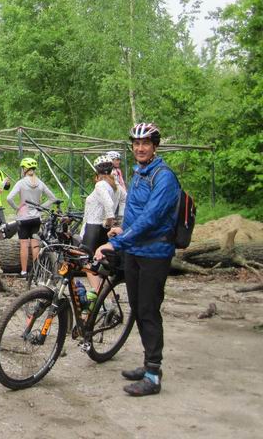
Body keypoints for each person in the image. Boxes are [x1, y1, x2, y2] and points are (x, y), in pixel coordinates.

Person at [96, 123, 179, 397]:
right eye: (136, 143)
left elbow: (152, 217)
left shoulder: (164, 177)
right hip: (135, 251)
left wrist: (117, 241)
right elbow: (134, 213)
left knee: (148, 311)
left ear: (155, 146)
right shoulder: (139, 173)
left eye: (146, 143)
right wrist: (122, 227)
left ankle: (153, 375)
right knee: (137, 307)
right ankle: (148, 364)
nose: (140, 148)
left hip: (155, 252)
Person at [81, 155, 126, 296]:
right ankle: (102, 292)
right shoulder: (116, 185)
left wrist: (110, 218)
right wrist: (120, 218)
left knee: (86, 261)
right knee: (99, 261)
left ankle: (96, 293)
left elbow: (109, 204)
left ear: (97, 171)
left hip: (93, 226)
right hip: (102, 229)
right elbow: (125, 199)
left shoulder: (100, 185)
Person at [6, 157, 57, 278]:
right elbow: (53, 198)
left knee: (24, 245)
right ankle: (37, 271)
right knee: (35, 245)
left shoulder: (21, 183)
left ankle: (24, 272)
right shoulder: (40, 183)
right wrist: (41, 207)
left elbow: (9, 198)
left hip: (23, 218)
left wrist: (16, 208)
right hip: (36, 218)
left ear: (24, 169)